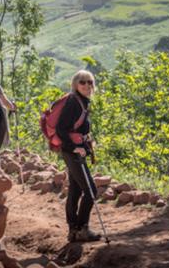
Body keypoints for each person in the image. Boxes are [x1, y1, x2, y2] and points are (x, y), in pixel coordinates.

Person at [56, 70, 101, 243]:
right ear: (76, 84)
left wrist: (85, 143)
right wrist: (74, 146)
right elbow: (61, 128)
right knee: (91, 190)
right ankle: (82, 228)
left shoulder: (81, 102)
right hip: (72, 151)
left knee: (75, 190)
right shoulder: (74, 102)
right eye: (83, 82)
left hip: (75, 150)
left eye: (90, 82)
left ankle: (73, 230)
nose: (87, 86)